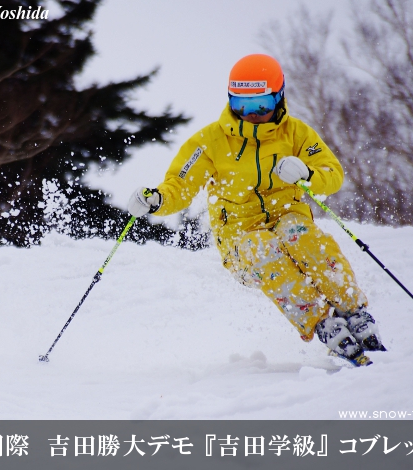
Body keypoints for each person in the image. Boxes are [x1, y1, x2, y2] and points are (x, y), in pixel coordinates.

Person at [127, 54, 385, 365]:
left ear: (279, 98)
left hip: (288, 219)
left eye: (261, 105)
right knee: (263, 246)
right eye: (242, 106)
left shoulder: (296, 134)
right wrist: (155, 200)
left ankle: (352, 310)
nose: (252, 115)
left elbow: (333, 174)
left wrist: (307, 173)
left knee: (299, 233)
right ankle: (321, 322)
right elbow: (178, 187)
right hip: (241, 242)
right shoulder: (210, 142)